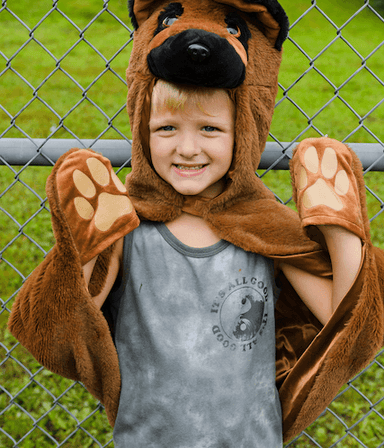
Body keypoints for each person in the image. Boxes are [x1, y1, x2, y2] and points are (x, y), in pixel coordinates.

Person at [81, 79, 362, 447]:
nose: (187, 148)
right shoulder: (131, 230)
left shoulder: (261, 230)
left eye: (209, 128)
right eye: (166, 127)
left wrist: (337, 228)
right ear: (142, 134)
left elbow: (341, 316)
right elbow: (79, 314)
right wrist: (86, 238)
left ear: (240, 135)